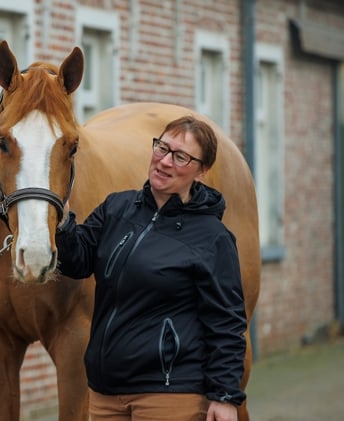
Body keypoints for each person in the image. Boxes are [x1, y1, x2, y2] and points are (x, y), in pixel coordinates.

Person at [56, 115, 247, 421]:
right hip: (105, 393)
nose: (165, 161)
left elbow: (226, 323)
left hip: (170, 395)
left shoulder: (213, 238)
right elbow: (77, 262)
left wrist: (225, 397)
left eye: (181, 156)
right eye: (162, 148)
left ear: (202, 171)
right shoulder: (116, 208)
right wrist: (62, 223)